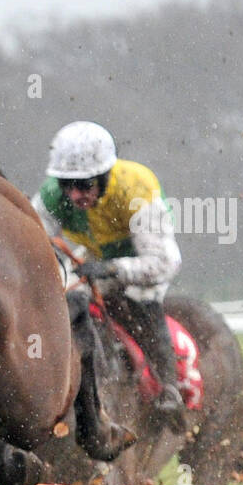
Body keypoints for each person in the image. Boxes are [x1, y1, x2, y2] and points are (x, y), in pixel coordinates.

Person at [31, 121, 187, 425]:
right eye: (67, 184)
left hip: (143, 264)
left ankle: (169, 391)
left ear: (104, 176)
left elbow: (165, 262)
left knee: (139, 303)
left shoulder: (136, 188)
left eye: (85, 185)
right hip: (93, 259)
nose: (75, 195)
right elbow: (33, 245)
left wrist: (113, 268)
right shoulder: (51, 196)